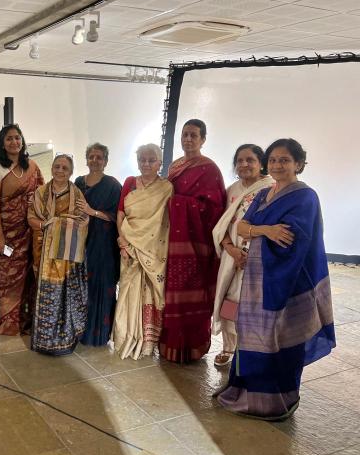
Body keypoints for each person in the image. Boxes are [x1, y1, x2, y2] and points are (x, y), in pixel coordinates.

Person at [216, 138, 335, 420]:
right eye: (273, 160)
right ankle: (245, 391)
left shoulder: (305, 197)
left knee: (281, 339)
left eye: (284, 160)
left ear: (298, 164)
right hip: (257, 280)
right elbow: (242, 228)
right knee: (253, 335)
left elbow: (293, 239)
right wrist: (266, 230)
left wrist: (257, 230)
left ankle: (278, 401)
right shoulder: (263, 194)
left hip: (288, 281)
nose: (278, 165)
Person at [160, 119, 227, 363]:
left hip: (196, 244)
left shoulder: (210, 169)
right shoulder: (175, 166)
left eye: (193, 135)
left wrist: (177, 203)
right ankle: (168, 345)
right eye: (185, 134)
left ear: (203, 139)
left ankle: (193, 347)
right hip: (172, 242)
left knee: (192, 294)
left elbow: (214, 207)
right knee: (170, 294)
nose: (188, 139)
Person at [211, 145, 273, 366]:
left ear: (261, 163)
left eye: (250, 160)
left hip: (258, 258)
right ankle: (229, 347)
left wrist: (248, 254)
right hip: (232, 256)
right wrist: (231, 249)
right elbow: (222, 224)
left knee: (253, 304)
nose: (244, 164)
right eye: (240, 160)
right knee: (229, 301)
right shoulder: (231, 190)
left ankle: (250, 349)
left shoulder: (271, 188)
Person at [111, 144, 173, 359]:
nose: (146, 164)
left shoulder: (166, 188)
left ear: (159, 163)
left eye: (151, 160)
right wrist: (122, 242)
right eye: (142, 160)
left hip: (154, 250)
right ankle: (127, 337)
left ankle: (148, 342)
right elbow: (120, 214)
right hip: (129, 246)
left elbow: (165, 221)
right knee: (128, 292)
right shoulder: (130, 182)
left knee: (151, 294)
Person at [28, 154, 89, 355]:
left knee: (64, 294)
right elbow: (31, 218)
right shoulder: (40, 192)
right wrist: (48, 225)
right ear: (51, 168)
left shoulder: (77, 194)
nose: (60, 171)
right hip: (43, 249)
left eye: (65, 168)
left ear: (71, 172)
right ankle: (44, 340)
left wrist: (60, 225)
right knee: (46, 292)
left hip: (67, 254)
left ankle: (64, 339)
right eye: (57, 166)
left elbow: (83, 220)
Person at [0, 124, 43, 335]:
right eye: (9, 138)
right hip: (6, 232)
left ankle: (27, 320)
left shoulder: (33, 167)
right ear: (2, 143)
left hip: (30, 232)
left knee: (29, 276)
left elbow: (42, 197)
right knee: (6, 277)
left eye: (17, 138)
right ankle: (10, 322)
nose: (14, 142)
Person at [74, 143, 121, 346]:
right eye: (91, 157)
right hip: (81, 240)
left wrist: (91, 211)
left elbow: (117, 216)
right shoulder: (78, 182)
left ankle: (99, 334)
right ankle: (79, 331)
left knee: (101, 285)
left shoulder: (112, 185)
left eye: (99, 157)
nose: (94, 160)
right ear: (86, 159)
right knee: (81, 285)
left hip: (103, 244)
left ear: (105, 161)